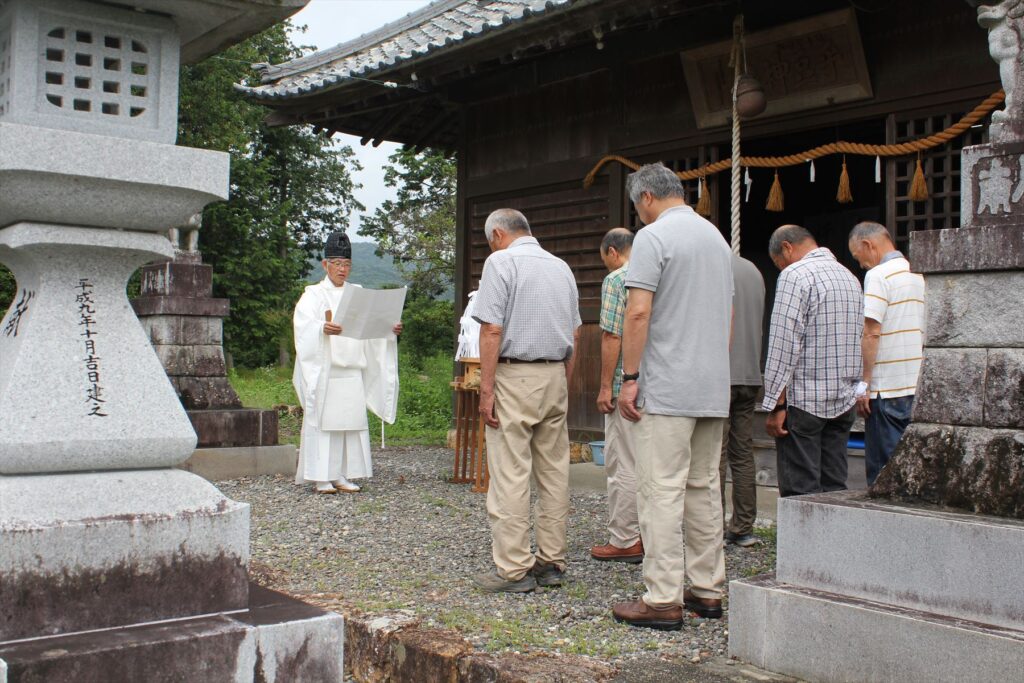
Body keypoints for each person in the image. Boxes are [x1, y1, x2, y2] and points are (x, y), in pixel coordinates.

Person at [611, 163, 733, 630]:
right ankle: (707, 589)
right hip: (710, 383)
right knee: (703, 487)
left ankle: (661, 597)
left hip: (667, 385)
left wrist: (631, 376)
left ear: (645, 198)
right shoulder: (716, 239)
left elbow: (638, 312)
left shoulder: (654, 237)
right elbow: (729, 316)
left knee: (659, 489)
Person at [471, 208, 582, 593]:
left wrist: (487, 390)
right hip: (555, 373)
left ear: (498, 234)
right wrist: (562, 382)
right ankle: (552, 561)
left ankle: (514, 568)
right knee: (553, 472)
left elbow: (491, 328)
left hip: (514, 375)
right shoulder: (560, 267)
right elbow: (575, 333)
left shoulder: (500, 262)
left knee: (510, 472)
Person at [292, 231, 403, 494]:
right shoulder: (314, 294)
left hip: (353, 367)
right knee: (325, 423)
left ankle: (341, 474)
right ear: (325, 265)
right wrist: (321, 328)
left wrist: (391, 328)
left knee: (349, 424)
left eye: (346, 265)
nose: (342, 269)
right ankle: (321, 476)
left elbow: (373, 327)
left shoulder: (359, 293)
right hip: (327, 368)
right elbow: (302, 325)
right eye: (337, 264)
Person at [762, 225, 863, 498]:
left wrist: (776, 404)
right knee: (834, 487)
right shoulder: (850, 276)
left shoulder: (795, 275)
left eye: (778, 263)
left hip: (804, 400)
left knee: (800, 492)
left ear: (787, 247)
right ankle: (834, 540)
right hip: (844, 398)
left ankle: (802, 542)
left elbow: (784, 344)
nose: (780, 268)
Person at [847, 221, 926, 485]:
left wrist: (865, 384)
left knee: (884, 472)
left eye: (860, 258)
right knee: (911, 469)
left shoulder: (879, 275)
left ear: (868, 245)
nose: (862, 265)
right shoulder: (918, 272)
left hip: (887, 387)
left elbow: (871, 332)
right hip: (915, 382)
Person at [590, 227, 643, 564]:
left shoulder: (618, 280)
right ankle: (651, 534)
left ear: (612, 251)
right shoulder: (659, 275)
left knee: (622, 461)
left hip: (628, 381)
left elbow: (612, 336)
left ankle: (625, 538)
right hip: (661, 383)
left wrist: (605, 385)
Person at [720, 254, 765, 548]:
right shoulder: (754, 270)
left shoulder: (714, 265)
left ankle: (711, 526)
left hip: (722, 373)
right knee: (742, 452)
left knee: (714, 454)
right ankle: (743, 526)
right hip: (750, 372)